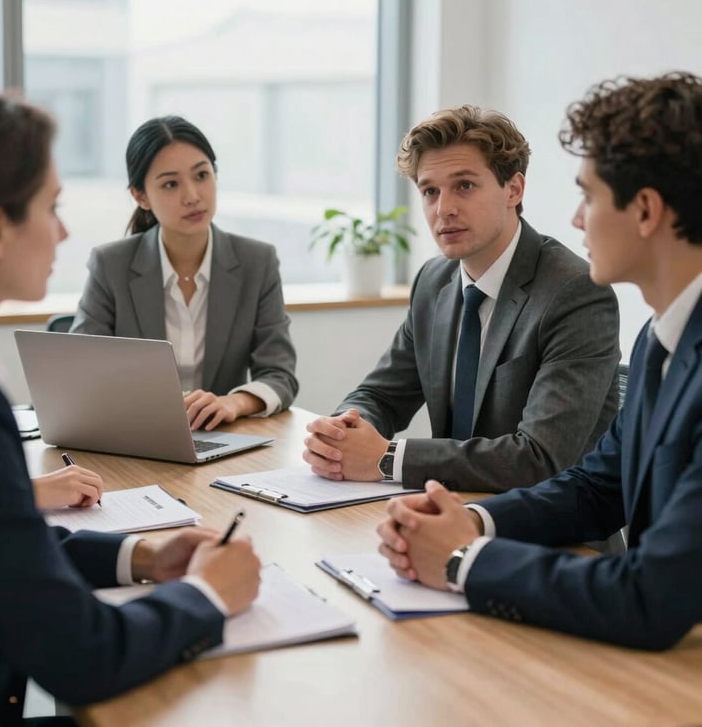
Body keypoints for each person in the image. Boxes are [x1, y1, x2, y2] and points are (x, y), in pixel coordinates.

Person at [0, 88, 261, 725]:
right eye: (51, 207)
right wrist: (206, 596)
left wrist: (139, 555)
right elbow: (82, 653)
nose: (62, 230)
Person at [378, 71, 702, 650]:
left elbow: (650, 595)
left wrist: (462, 561)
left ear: (646, 210)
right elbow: (598, 489)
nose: (577, 219)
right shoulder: (661, 339)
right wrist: (470, 523)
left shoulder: (588, 298)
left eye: (589, 195)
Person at [304, 106, 620, 491]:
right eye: (430, 191)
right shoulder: (433, 281)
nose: (444, 209)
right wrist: (342, 434)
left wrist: (387, 458)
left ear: (514, 189)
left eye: (464, 186)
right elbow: (382, 395)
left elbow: (540, 458)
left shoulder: (575, 292)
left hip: (550, 536)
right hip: (443, 510)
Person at [70, 116, 298, 432]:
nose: (192, 195)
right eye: (170, 184)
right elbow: (79, 372)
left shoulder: (256, 262)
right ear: (141, 196)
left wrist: (233, 402)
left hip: (221, 438)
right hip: (135, 436)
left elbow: (280, 374)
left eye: (202, 175)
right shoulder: (111, 265)